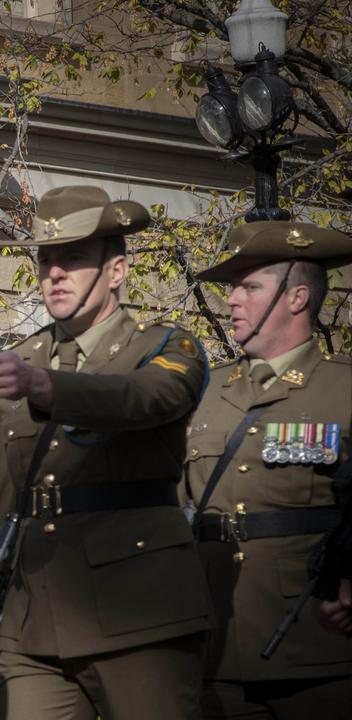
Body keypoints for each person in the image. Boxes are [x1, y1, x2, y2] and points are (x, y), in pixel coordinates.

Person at [0, 186, 212, 719]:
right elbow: (7, 499)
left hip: (139, 608)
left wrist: (45, 388)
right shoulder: (22, 357)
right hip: (34, 617)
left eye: (74, 259)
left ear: (116, 270)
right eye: (45, 261)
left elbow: (144, 398)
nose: (54, 274)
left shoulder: (162, 347)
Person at [181, 221, 352, 719]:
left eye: (249, 286)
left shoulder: (341, 390)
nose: (232, 300)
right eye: (233, 288)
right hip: (215, 638)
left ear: (297, 297)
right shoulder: (204, 392)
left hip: (316, 641)